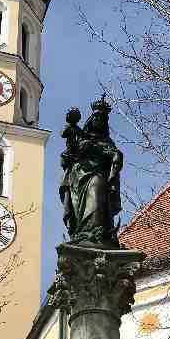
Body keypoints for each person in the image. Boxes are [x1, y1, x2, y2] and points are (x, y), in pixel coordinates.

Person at [59, 97, 123, 247]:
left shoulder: (106, 141)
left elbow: (113, 154)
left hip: (97, 174)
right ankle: (83, 232)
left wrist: (115, 156)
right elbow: (66, 157)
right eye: (97, 117)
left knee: (96, 194)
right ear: (91, 119)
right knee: (77, 208)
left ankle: (97, 231)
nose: (99, 121)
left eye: (102, 119)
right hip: (77, 177)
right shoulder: (81, 136)